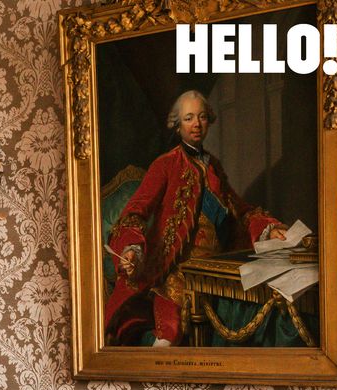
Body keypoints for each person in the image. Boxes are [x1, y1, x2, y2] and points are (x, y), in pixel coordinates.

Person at [105, 90, 288, 347]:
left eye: (202, 117)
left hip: (216, 267)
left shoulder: (214, 166)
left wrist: (269, 229)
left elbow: (241, 210)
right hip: (176, 269)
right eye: (189, 118)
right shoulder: (165, 165)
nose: (197, 124)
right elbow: (134, 212)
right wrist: (132, 248)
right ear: (177, 125)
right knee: (170, 331)